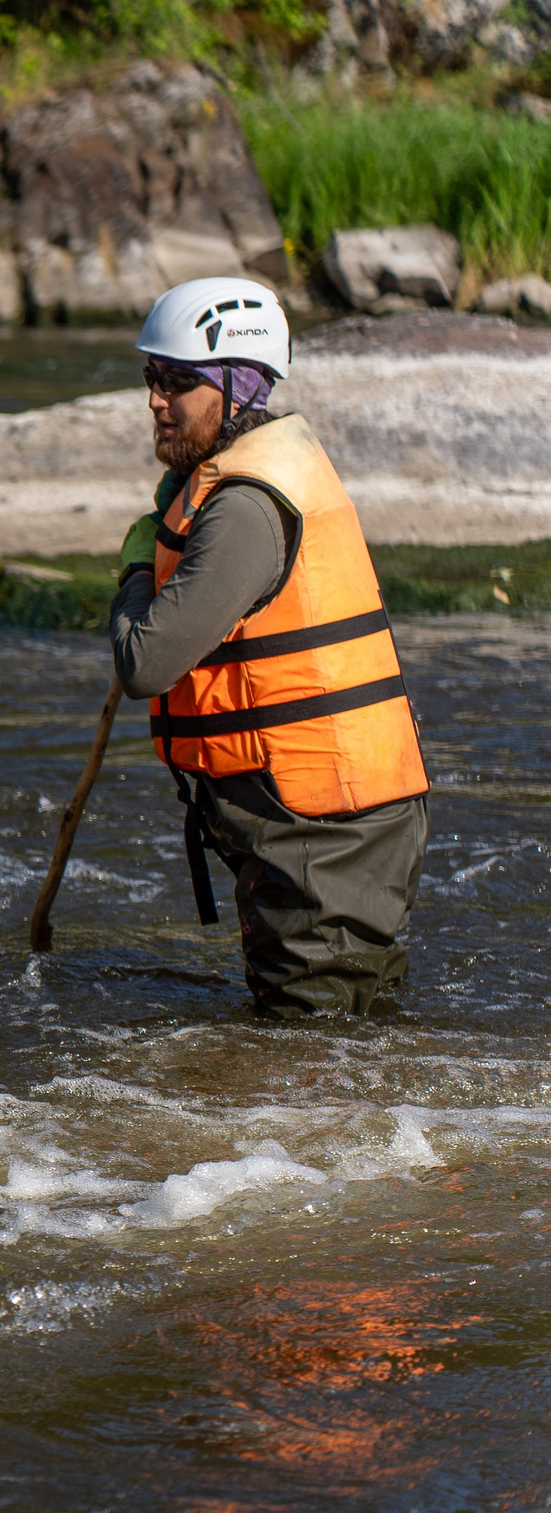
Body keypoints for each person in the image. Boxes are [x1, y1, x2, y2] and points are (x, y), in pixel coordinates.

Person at [111, 277, 428, 1016]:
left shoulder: (245, 507)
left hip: (325, 832)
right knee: (346, 1040)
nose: (156, 399)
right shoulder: (241, 476)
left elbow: (144, 663)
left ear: (238, 386)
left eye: (178, 381)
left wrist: (135, 570)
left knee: (309, 1058)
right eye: (152, 376)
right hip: (329, 818)